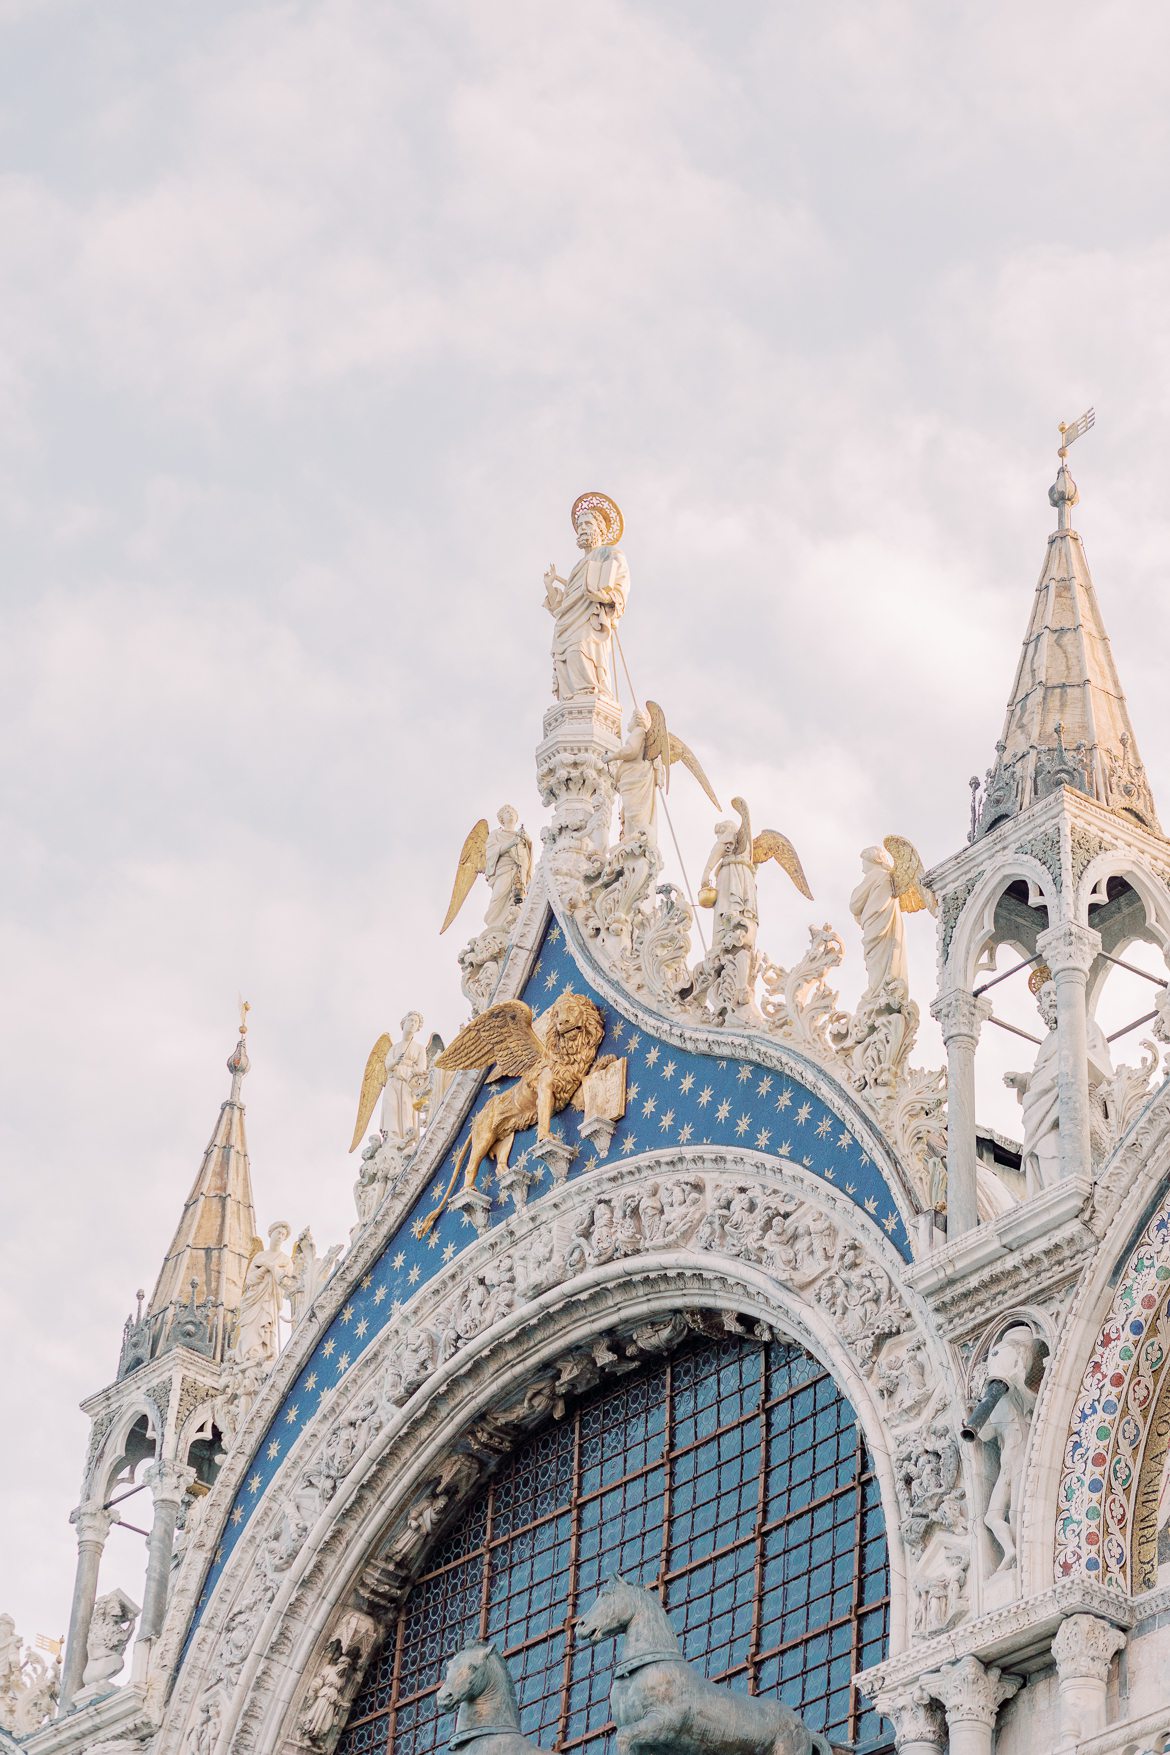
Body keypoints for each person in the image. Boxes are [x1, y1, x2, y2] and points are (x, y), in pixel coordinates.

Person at [543, 494, 628, 700]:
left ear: (600, 529)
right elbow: (561, 607)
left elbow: (620, 585)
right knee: (564, 660)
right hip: (567, 623)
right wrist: (550, 585)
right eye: (579, 525)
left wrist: (606, 596)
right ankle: (571, 701)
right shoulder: (576, 568)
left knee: (579, 651)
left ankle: (590, 694)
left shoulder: (610, 553)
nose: (582, 528)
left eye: (587, 523)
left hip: (590, 618)